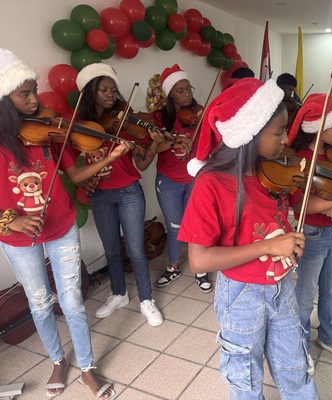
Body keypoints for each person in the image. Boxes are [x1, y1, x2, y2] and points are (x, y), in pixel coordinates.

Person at [178, 78, 332, 399]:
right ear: (250, 133)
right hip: (241, 294)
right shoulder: (212, 183)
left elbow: (299, 204)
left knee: (295, 367)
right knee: (246, 378)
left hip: (281, 286)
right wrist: (270, 245)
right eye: (279, 132)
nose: (287, 139)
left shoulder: (273, 171)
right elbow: (199, 259)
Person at [0, 49, 118, 399]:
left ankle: (86, 368)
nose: (34, 100)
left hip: (61, 226)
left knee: (72, 301)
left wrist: (109, 158)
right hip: (18, 239)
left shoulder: (50, 131)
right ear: (4, 99)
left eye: (34, 90)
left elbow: (75, 174)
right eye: (24, 94)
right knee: (39, 302)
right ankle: (56, 360)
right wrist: (14, 222)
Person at [75, 63, 164, 327]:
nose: (111, 95)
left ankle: (146, 300)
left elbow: (142, 164)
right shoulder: (81, 126)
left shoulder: (125, 121)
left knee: (135, 249)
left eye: (114, 90)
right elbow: (73, 165)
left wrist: (155, 141)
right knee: (112, 249)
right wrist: (85, 179)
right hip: (100, 195)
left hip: (128, 192)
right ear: (90, 92)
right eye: (104, 90)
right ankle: (119, 294)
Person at [288, 94, 332, 368]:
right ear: (318, 128)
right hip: (313, 233)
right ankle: (300, 345)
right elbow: (298, 204)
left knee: (330, 291)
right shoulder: (300, 159)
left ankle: (330, 337)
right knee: (306, 296)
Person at [148, 64, 212, 293]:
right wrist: (173, 140)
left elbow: (211, 141)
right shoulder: (159, 117)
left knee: (196, 223)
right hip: (168, 179)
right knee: (174, 225)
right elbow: (153, 149)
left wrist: (207, 123)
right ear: (170, 95)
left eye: (188, 89)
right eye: (180, 91)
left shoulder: (199, 113)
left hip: (195, 177)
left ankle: (200, 268)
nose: (187, 95)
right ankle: (173, 266)